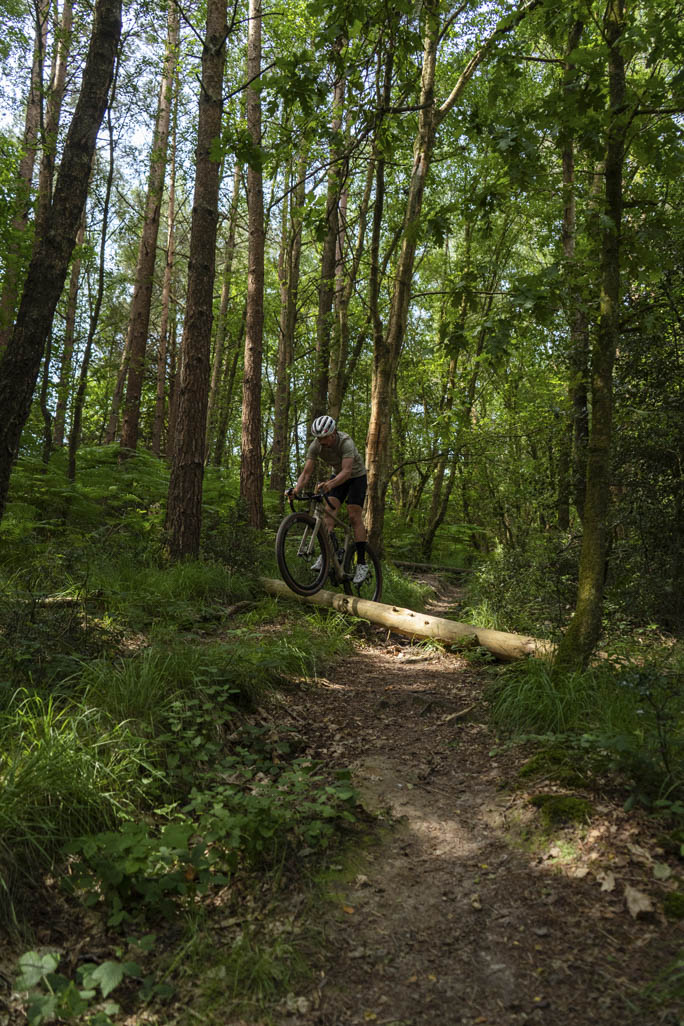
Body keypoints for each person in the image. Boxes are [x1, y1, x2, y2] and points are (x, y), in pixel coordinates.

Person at [287, 415, 369, 585]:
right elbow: (307, 472)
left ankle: (362, 563)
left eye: (324, 438)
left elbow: (347, 472)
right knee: (328, 517)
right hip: (337, 477)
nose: (322, 441)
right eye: (319, 438)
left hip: (356, 477)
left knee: (354, 517)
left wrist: (330, 484)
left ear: (333, 433)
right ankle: (330, 553)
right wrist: (296, 490)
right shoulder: (316, 446)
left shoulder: (346, 442)